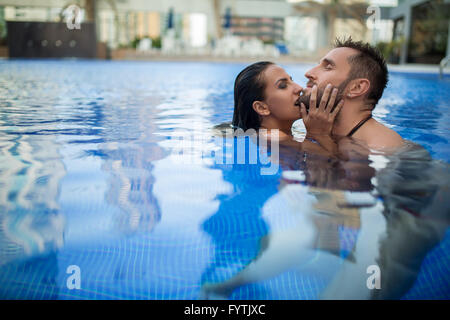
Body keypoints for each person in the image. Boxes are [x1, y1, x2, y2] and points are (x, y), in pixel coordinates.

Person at [297, 37, 404, 151]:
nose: (308, 73)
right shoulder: (322, 130)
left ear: (357, 88)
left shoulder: (382, 147)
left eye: (328, 67)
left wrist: (318, 136)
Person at [230, 61, 343, 156]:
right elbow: (335, 162)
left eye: (291, 80)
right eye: (283, 86)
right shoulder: (275, 137)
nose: (299, 88)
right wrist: (319, 133)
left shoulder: (274, 136)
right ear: (261, 108)